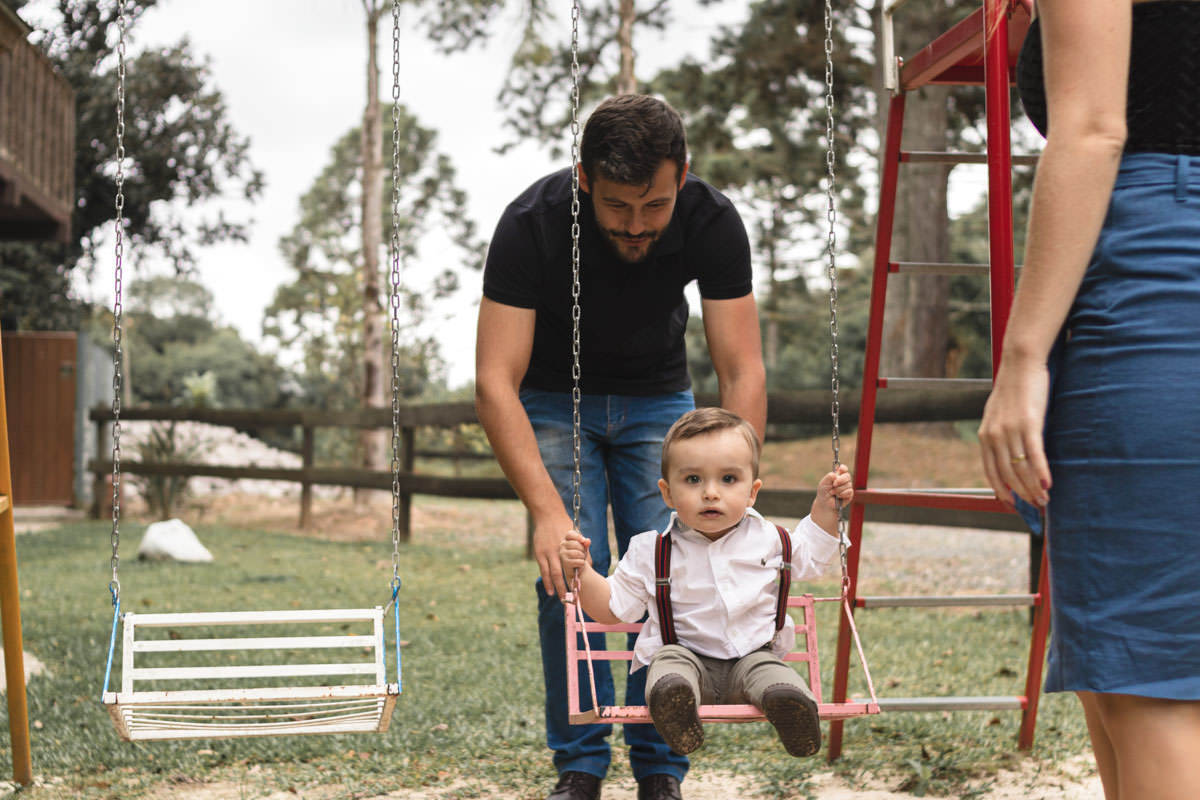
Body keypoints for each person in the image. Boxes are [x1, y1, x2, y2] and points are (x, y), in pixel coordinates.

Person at [474, 94, 766, 800]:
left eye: (654, 207)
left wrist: (734, 484)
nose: (636, 226)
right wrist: (547, 513)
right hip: (549, 399)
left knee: (671, 580)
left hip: (660, 404)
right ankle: (579, 765)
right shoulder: (530, 225)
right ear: (583, 180)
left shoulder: (711, 220)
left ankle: (661, 770)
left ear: (682, 177)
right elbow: (493, 379)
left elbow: (743, 369)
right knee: (570, 577)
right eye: (616, 207)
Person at [978, 2, 1200, 798]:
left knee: (1148, 675)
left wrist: (1024, 355)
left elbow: (1095, 127)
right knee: (1125, 662)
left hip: (1159, 270)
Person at [559, 408, 852, 761]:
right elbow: (610, 608)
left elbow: (814, 553)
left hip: (753, 657)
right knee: (667, 670)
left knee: (774, 676)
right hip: (686, 658)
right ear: (667, 493)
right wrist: (583, 572)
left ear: (752, 491)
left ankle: (792, 709)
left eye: (728, 479)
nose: (711, 493)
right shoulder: (652, 550)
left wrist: (825, 506)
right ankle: (676, 714)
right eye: (693, 480)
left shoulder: (773, 541)